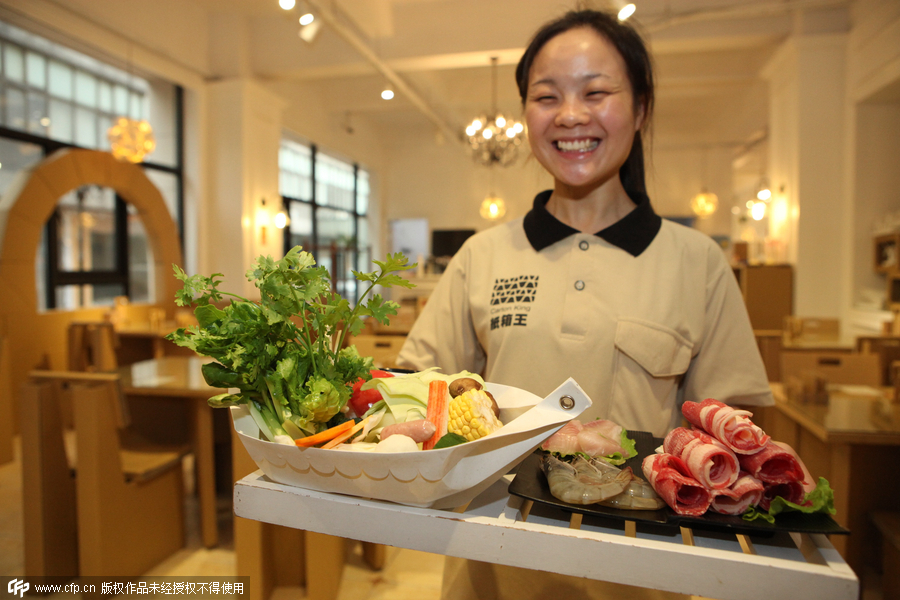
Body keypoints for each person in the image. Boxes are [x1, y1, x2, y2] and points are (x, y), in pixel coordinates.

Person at [397, 8, 773, 600]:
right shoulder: (482, 255)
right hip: (492, 567)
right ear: (526, 113)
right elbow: (417, 393)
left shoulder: (696, 261)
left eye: (596, 92)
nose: (570, 115)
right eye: (546, 96)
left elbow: (733, 436)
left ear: (641, 108)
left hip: (641, 576)